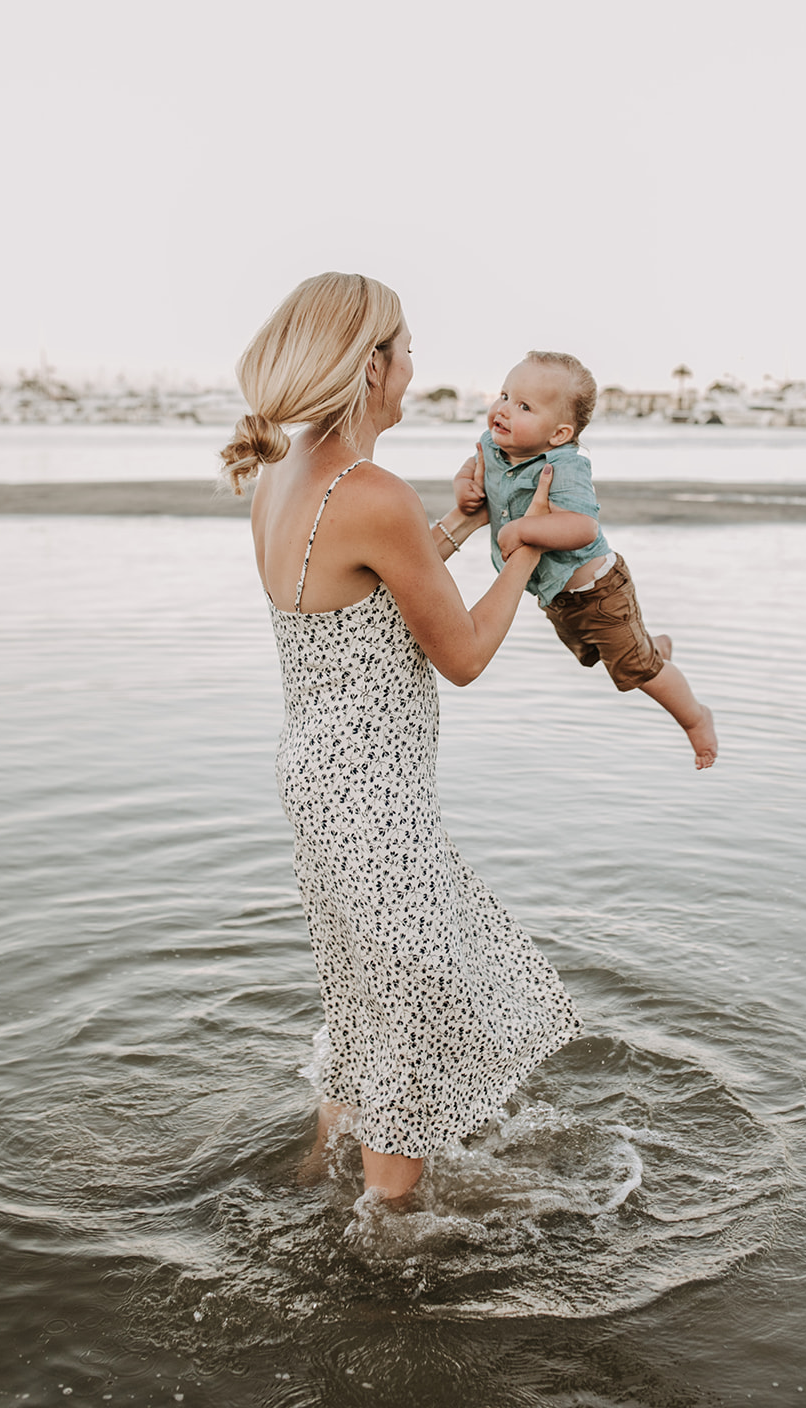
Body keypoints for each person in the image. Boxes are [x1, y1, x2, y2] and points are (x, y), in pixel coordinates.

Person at [219, 274, 582, 1202]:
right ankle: (388, 1234)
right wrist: (527, 548)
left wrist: (459, 523)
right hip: (371, 798)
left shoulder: (282, 474)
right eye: (407, 348)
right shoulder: (369, 489)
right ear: (371, 364)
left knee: (364, 999)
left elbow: (363, 593)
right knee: (417, 1010)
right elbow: (459, 654)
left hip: (320, 781)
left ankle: (319, 1170)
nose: (417, 369)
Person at [453, 350, 718, 769]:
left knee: (636, 673)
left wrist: (522, 530)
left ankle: (696, 719)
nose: (503, 409)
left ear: (558, 434)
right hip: (560, 598)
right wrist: (464, 486)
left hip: (598, 591)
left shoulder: (566, 466)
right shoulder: (492, 445)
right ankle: (653, 647)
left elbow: (582, 528)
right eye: (505, 394)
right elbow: (471, 470)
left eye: (524, 406)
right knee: (595, 656)